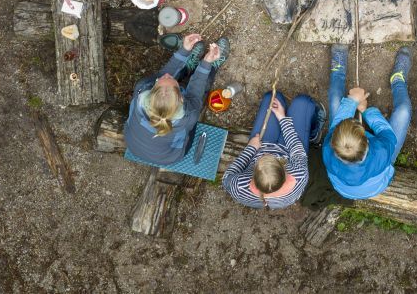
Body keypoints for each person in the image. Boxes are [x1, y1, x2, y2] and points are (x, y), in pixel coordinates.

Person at [321, 45, 412, 200]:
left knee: (336, 100)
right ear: (367, 140)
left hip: (348, 187)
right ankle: (398, 80)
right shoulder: (381, 153)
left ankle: (338, 71)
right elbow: (385, 132)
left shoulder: (328, 150)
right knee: (403, 111)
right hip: (381, 166)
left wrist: (352, 102)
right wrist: (366, 110)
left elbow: (337, 123)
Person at [124, 33, 229, 165]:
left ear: (151, 91)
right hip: (170, 157)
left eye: (160, 80)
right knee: (202, 87)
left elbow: (163, 74)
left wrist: (184, 50)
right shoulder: (188, 118)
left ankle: (188, 66)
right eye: (173, 81)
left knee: (174, 78)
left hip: (133, 146)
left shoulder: (141, 88)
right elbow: (195, 92)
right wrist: (207, 62)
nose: (167, 75)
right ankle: (212, 65)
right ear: (181, 99)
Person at [222, 92, 324, 209]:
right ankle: (313, 133)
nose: (267, 153)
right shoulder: (298, 175)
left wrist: (251, 149)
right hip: (288, 151)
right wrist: (282, 119)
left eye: (261, 158)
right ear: (283, 169)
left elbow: (227, 178)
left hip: (259, 145)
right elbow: (296, 150)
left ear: (253, 174)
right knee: (303, 102)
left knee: (272, 97)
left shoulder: (239, 186)